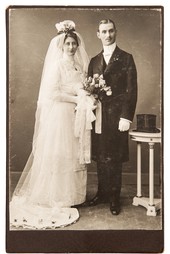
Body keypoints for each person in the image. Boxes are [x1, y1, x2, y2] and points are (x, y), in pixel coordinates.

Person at [10, 20, 96, 229]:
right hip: (61, 115)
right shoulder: (57, 65)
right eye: (67, 44)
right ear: (61, 45)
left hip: (76, 115)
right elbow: (54, 93)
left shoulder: (79, 65)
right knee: (61, 151)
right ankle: (58, 196)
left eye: (74, 43)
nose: (71, 47)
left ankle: (74, 196)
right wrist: (77, 99)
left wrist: (86, 94)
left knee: (74, 152)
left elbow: (80, 86)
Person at [88, 19, 137, 215]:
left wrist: (126, 116)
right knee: (100, 155)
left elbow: (131, 90)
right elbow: (89, 88)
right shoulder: (93, 61)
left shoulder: (126, 58)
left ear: (115, 32)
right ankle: (102, 193)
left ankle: (114, 197)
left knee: (114, 157)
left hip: (117, 116)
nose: (107, 35)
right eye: (103, 32)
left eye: (110, 31)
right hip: (99, 115)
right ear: (98, 34)